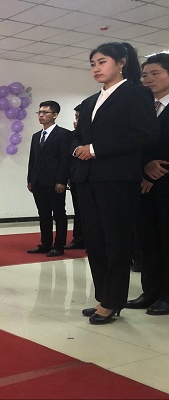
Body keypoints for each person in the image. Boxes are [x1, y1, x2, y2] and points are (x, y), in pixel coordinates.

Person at [73, 42, 160, 325]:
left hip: (117, 178)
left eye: (102, 62)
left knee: (116, 241)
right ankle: (104, 298)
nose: (96, 69)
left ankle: (112, 301)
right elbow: (79, 136)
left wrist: (96, 149)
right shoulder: (89, 102)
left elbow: (145, 133)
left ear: (121, 62)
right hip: (87, 178)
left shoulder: (136, 93)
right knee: (95, 242)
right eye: (92, 64)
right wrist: (78, 148)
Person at [126, 53, 169, 315]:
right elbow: (134, 143)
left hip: (165, 183)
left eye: (155, 73)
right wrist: (145, 167)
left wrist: (156, 170)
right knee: (147, 241)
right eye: (144, 75)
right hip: (142, 185)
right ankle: (151, 292)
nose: (148, 79)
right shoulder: (144, 109)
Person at [26, 101, 72, 257]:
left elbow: (65, 160)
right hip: (38, 181)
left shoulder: (64, 134)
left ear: (55, 115)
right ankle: (45, 243)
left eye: (45, 112)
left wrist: (62, 180)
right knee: (43, 213)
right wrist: (30, 179)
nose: (41, 115)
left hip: (55, 181)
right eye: (39, 112)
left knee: (59, 213)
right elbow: (33, 159)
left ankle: (59, 245)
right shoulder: (36, 136)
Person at [65, 105, 86, 250]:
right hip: (75, 177)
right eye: (76, 117)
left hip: (91, 178)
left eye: (80, 118)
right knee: (78, 210)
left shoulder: (94, 135)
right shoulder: (71, 136)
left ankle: (92, 240)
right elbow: (67, 159)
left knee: (91, 211)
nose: (77, 121)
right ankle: (78, 239)